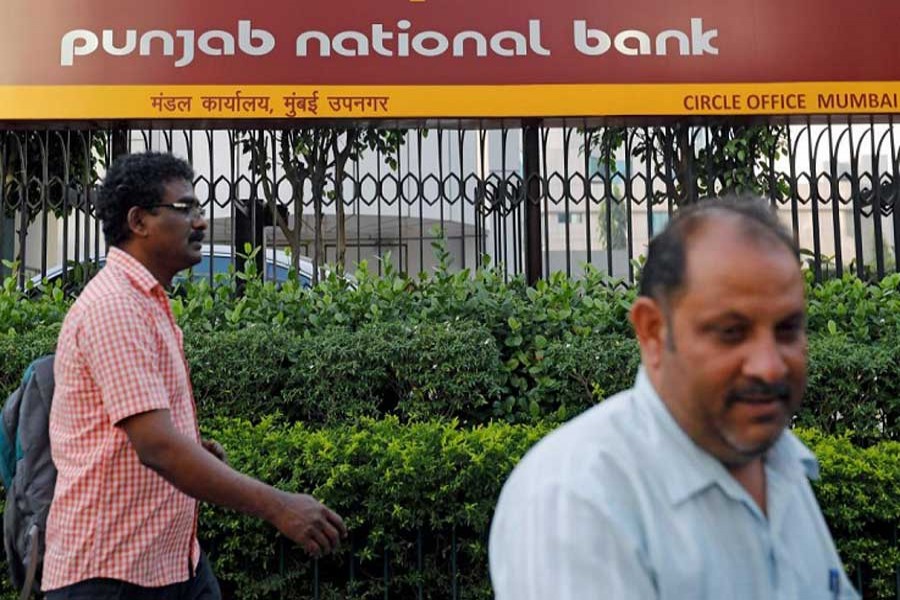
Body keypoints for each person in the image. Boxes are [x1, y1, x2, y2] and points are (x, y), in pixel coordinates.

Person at [488, 196, 859, 599]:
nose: (769, 367)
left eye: (787, 330)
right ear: (651, 331)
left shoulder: (781, 464)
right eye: (731, 332)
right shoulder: (578, 500)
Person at [43, 152, 347, 599]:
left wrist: (190, 445)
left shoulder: (148, 301)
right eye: (185, 209)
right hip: (111, 575)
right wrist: (280, 507)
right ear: (139, 221)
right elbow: (157, 447)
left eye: (199, 208)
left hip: (171, 564)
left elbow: (149, 434)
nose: (200, 222)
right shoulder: (115, 307)